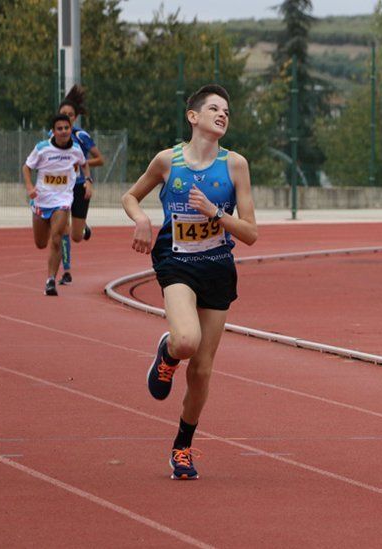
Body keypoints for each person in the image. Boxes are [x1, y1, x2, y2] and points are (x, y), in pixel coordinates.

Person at [122, 84, 258, 480]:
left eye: (227, 111)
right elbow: (131, 196)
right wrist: (143, 219)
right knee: (186, 341)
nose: (223, 115)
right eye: (214, 108)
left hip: (217, 267)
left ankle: (182, 446)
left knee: (201, 371)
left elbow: (250, 233)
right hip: (176, 261)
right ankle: (167, 353)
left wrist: (216, 213)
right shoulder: (168, 161)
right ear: (193, 116)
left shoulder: (236, 165)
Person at [23, 114, 88, 296]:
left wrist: (88, 181)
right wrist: (30, 187)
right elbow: (27, 167)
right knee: (41, 243)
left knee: (57, 238)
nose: (63, 131)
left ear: (70, 129)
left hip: (62, 200)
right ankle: (81, 229)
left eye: (66, 128)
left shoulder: (75, 149)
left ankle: (51, 280)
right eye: (59, 128)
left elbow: (84, 164)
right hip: (41, 200)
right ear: (53, 131)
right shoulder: (42, 149)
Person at [55, 85, 104, 285]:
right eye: (63, 114)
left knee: (76, 236)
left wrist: (81, 163)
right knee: (62, 230)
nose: (66, 118)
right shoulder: (53, 138)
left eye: (70, 115)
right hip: (61, 189)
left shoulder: (81, 136)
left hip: (80, 186)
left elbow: (100, 159)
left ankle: (83, 227)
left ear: (75, 118)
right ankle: (66, 272)